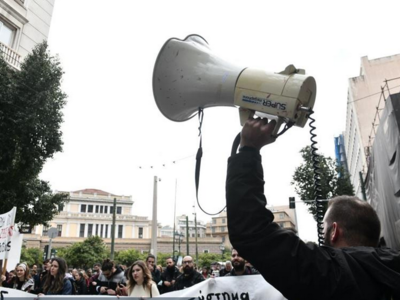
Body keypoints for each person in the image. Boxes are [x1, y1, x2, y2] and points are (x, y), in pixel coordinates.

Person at [226, 117, 400, 300]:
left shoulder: (333, 274)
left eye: (323, 227)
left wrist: (248, 149)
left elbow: (252, 231)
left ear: (334, 231)